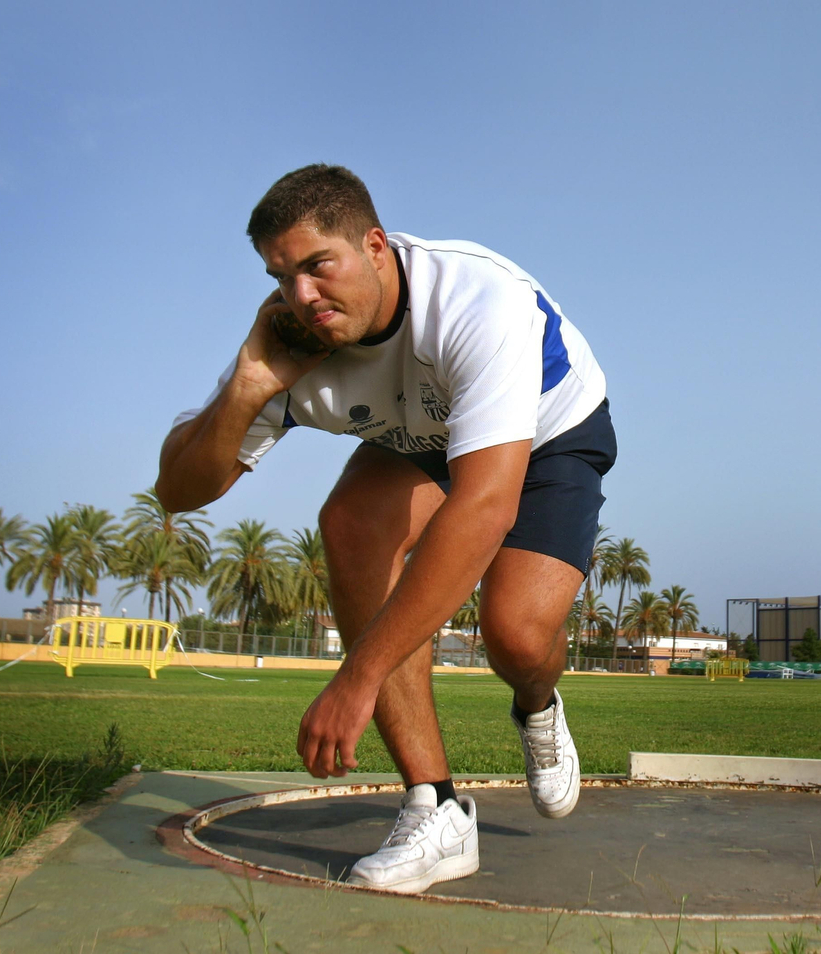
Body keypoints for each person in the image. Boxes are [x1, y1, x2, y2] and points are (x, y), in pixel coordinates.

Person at [155, 164, 615, 894]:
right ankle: (435, 809)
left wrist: (358, 675)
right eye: (281, 276)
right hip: (423, 430)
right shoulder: (292, 340)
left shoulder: (474, 301)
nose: (301, 296)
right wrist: (247, 385)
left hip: (551, 429)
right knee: (350, 522)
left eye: (316, 266)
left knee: (518, 636)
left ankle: (536, 704)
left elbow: (485, 506)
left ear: (375, 245)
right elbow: (178, 490)